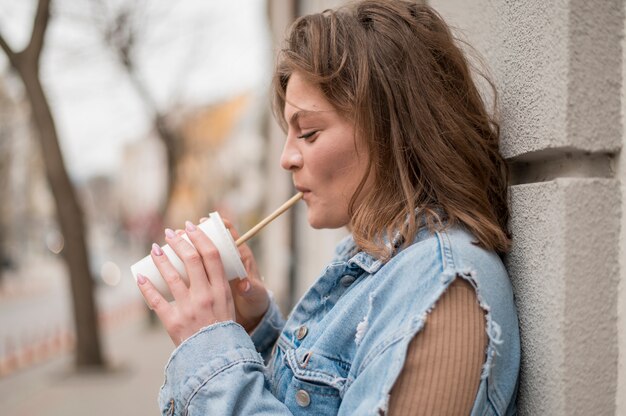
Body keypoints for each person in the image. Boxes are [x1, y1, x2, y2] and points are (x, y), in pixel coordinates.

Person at [135, 1, 520, 414]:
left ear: (391, 129)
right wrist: (253, 326)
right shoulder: (374, 259)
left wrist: (212, 354)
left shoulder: (442, 293)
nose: (287, 158)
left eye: (310, 133)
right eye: (289, 134)